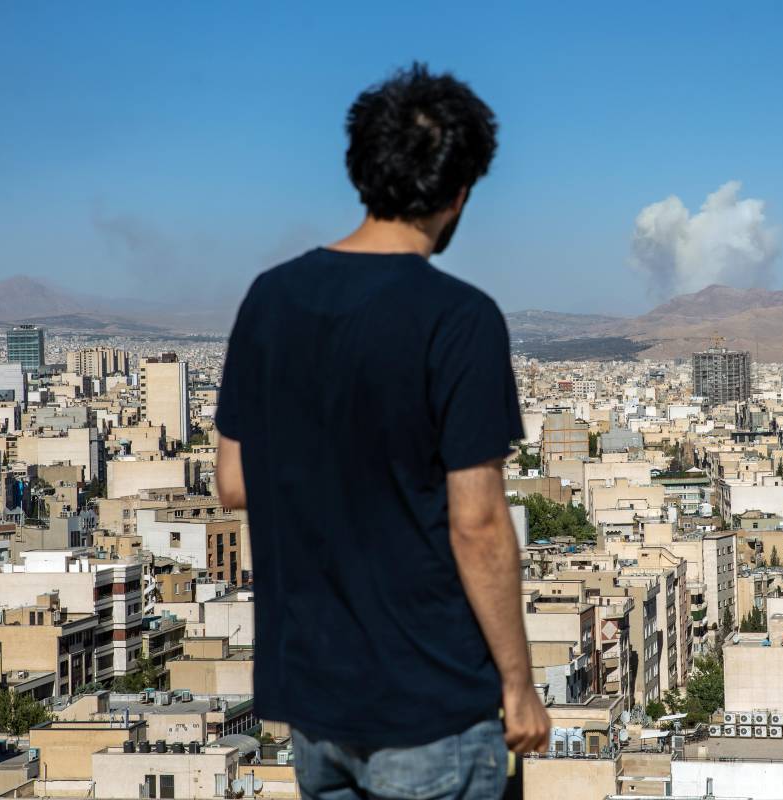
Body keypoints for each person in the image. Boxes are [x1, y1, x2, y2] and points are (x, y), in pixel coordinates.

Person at [215, 63, 550, 800]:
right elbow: (479, 521)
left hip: (313, 698)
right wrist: (519, 685)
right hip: (427, 701)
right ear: (460, 194)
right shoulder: (459, 319)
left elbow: (234, 483)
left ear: (361, 171)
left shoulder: (269, 300)